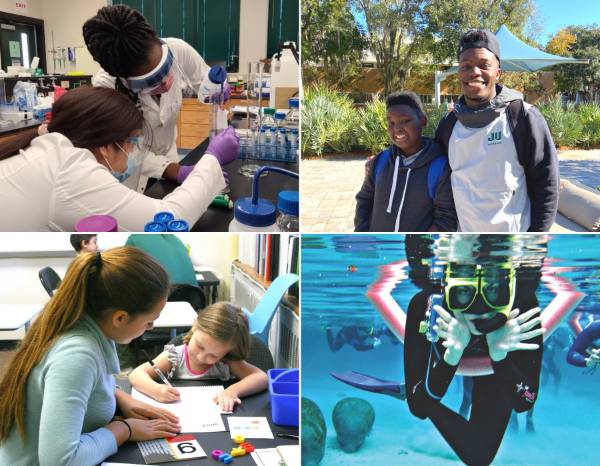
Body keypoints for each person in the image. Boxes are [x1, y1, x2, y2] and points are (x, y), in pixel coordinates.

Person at [0, 247, 181, 466]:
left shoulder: (91, 323)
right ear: (120, 318)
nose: (151, 328)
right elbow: (61, 461)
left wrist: (120, 397)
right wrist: (125, 429)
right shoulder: (77, 355)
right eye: (149, 321)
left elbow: (83, 385)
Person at [0, 86, 237, 231]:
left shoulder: (51, 149)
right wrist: (211, 157)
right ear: (104, 147)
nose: (136, 153)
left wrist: (176, 169)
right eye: (133, 143)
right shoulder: (71, 171)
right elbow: (169, 221)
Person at [404, 259, 544, 466]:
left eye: (494, 289)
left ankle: (418, 388)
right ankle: (416, 388)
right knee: (419, 399)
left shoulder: (521, 305)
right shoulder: (428, 305)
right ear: (447, 287)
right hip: (448, 346)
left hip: (499, 358)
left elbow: (525, 401)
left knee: (479, 458)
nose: (479, 308)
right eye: (463, 291)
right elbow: (419, 409)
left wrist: (500, 357)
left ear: (510, 289)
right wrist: (452, 355)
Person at [83, 4, 234, 193]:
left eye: (165, 68)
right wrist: (177, 171)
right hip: (129, 175)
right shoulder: (106, 87)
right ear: (125, 79)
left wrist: (218, 87)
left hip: (169, 155)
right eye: (151, 81)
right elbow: (125, 152)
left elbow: (206, 81)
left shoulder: (178, 49)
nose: (165, 81)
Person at [435, 29, 559, 232]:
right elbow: (431, 170)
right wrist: (387, 160)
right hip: (464, 246)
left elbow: (547, 185)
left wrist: (534, 243)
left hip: (513, 246)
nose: (474, 72)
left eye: (484, 65)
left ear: (498, 72)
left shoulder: (523, 117)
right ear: (459, 73)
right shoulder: (449, 123)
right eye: (466, 66)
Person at [129, 302, 268, 412]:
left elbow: (261, 377)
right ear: (195, 326)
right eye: (200, 346)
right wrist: (156, 390)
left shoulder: (226, 361)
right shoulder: (175, 356)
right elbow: (136, 374)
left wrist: (233, 391)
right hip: (178, 418)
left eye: (213, 355)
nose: (202, 356)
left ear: (227, 352)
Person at [355, 91, 457, 232]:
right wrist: (362, 236)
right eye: (391, 122)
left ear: (423, 121)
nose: (397, 128)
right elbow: (365, 200)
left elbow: (446, 218)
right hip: (378, 249)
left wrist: (418, 247)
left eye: (405, 120)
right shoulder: (380, 161)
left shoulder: (439, 167)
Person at [126, 234, 197, 287]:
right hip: (194, 299)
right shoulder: (176, 239)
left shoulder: (134, 239)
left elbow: (124, 270)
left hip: (162, 300)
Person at [326, 323, 399, 352]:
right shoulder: (352, 336)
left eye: (369, 330)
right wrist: (373, 346)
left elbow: (381, 331)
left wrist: (395, 339)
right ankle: (327, 328)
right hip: (343, 336)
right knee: (333, 349)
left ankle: (395, 340)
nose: (369, 333)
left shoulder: (368, 331)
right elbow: (358, 348)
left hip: (355, 333)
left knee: (394, 341)